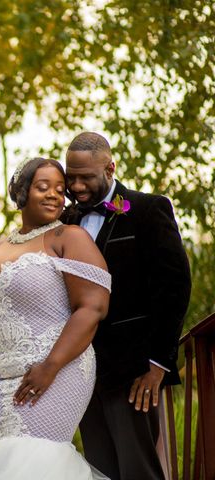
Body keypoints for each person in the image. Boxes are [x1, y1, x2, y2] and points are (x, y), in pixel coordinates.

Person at [0, 157, 112, 479]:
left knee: (38, 459)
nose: (55, 195)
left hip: (57, 371)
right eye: (43, 187)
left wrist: (50, 366)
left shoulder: (68, 238)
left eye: (59, 189)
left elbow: (93, 308)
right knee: (8, 463)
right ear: (22, 192)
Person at [63, 132, 191, 480]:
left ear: (110, 168)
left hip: (134, 372)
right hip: (83, 371)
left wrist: (157, 365)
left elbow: (174, 287)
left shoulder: (149, 210)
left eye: (85, 177)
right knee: (98, 470)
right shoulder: (65, 222)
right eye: (70, 177)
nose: (76, 186)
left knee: (139, 471)